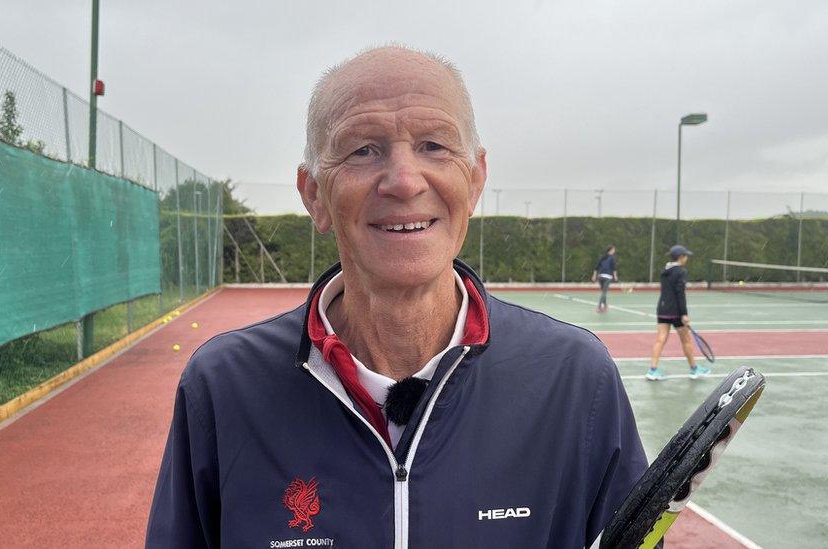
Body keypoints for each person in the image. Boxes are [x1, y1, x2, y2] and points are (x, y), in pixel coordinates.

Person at [146, 45, 647, 548]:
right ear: (314, 195)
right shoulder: (223, 386)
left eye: (434, 145)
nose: (405, 181)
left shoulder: (576, 379)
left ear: (475, 181)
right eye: (363, 149)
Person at [646, 245, 710, 381]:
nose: (687, 258)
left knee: (660, 339)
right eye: (686, 256)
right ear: (681, 257)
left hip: (662, 309)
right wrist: (684, 314)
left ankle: (652, 370)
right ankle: (694, 370)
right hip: (675, 312)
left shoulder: (665, 270)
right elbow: (680, 293)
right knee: (686, 340)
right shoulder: (680, 272)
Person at [591, 245, 618, 312]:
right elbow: (614, 268)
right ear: (611, 250)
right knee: (604, 293)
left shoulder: (603, 257)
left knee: (603, 292)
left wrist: (594, 275)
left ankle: (605, 306)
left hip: (600, 277)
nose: (614, 251)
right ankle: (599, 307)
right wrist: (615, 276)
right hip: (607, 277)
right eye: (613, 250)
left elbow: (596, 267)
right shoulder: (612, 258)